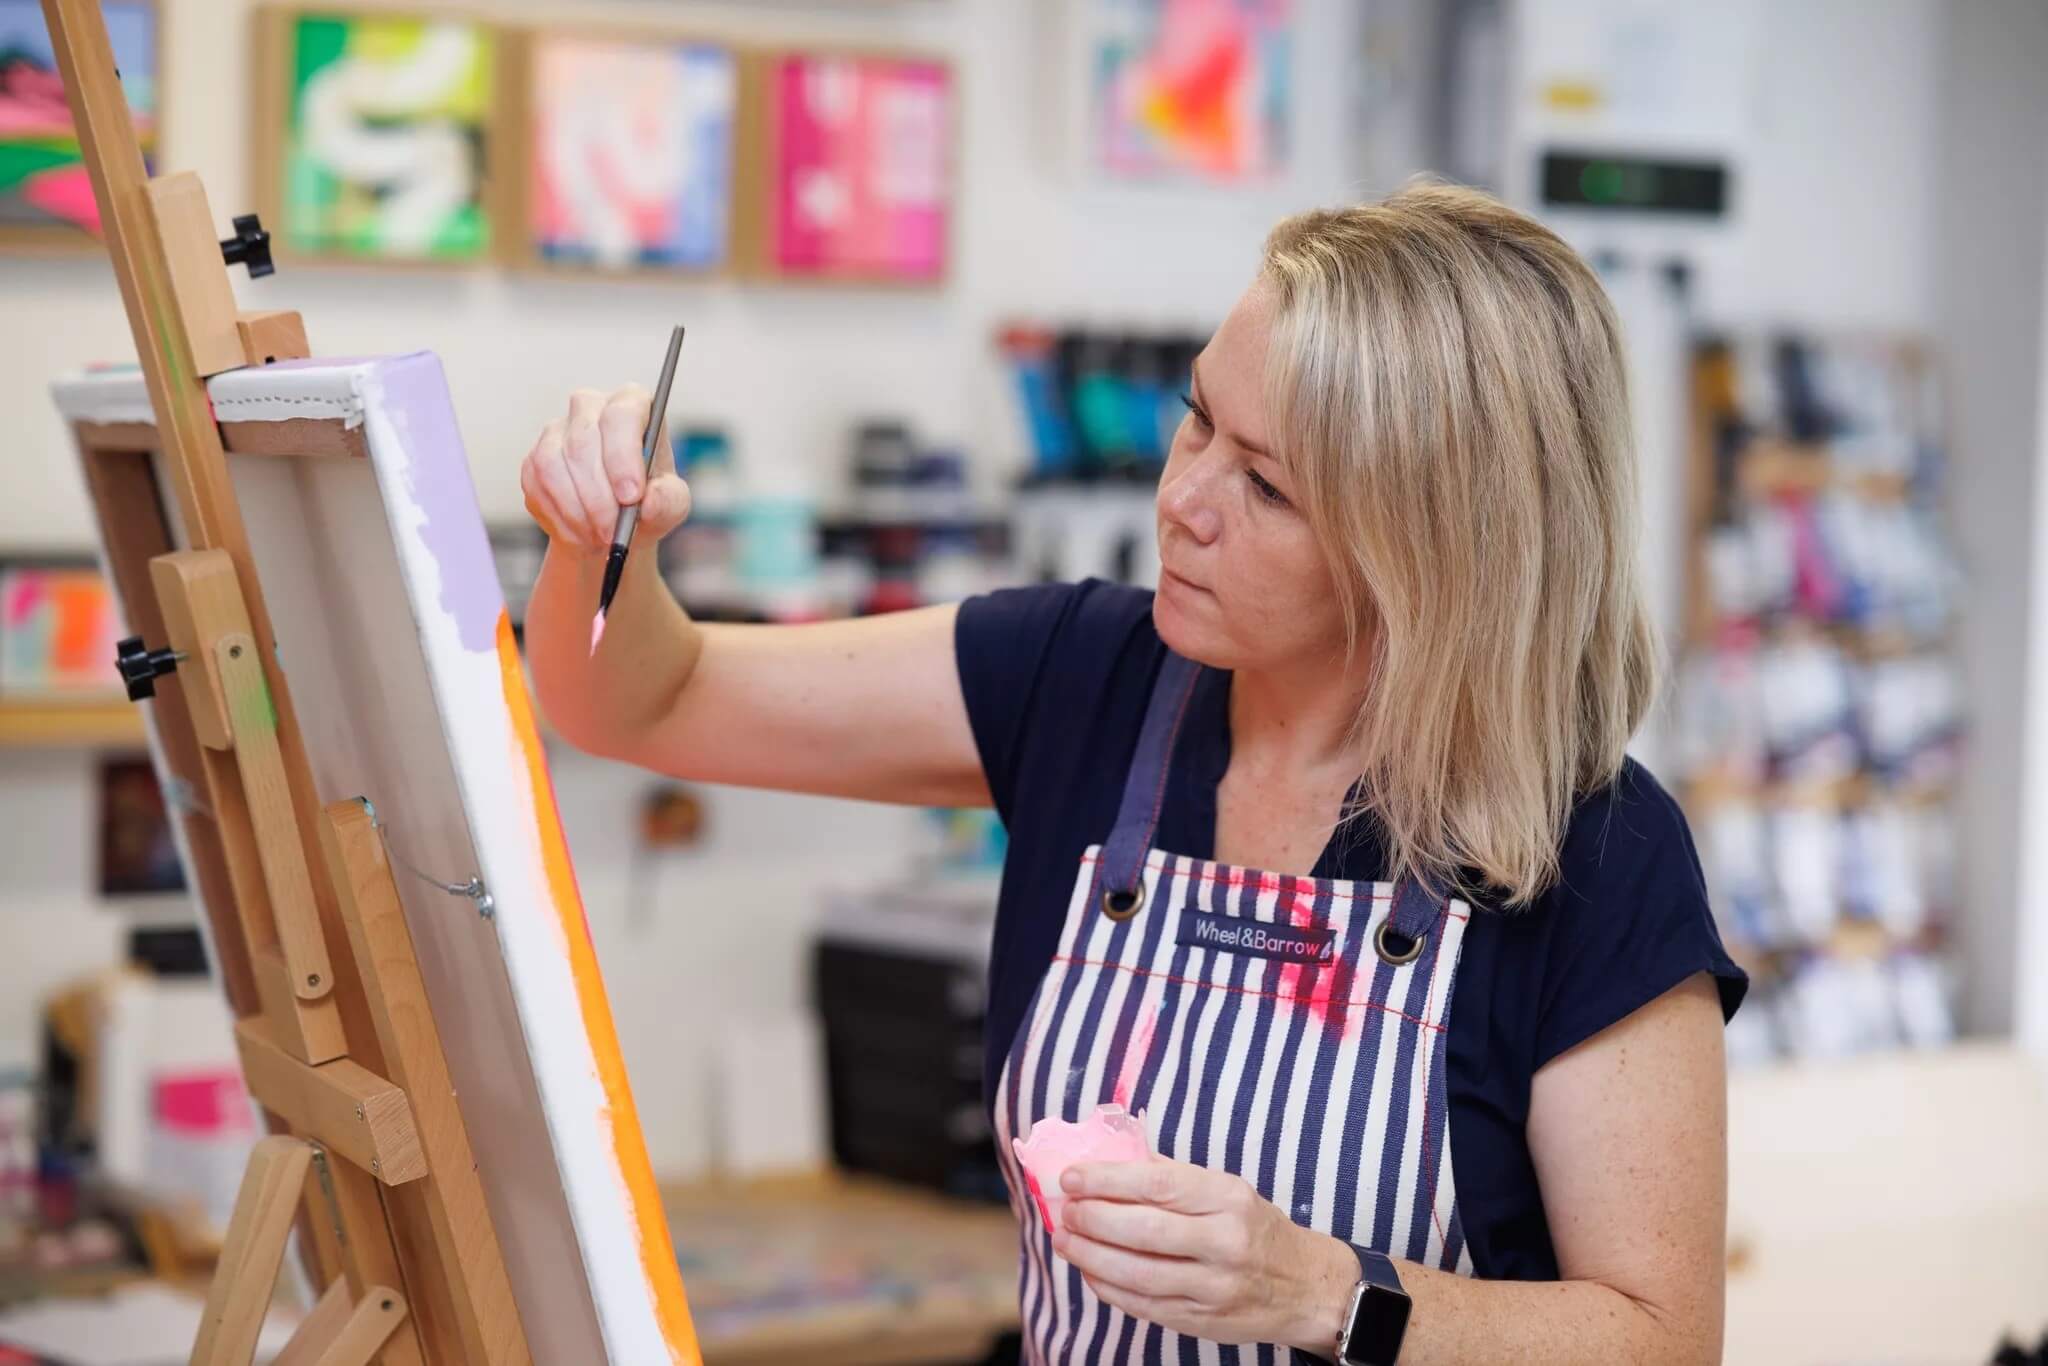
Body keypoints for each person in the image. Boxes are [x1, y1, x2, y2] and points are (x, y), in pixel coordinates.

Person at [518, 181, 1747, 1365]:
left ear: (1431, 554)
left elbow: (1657, 1339)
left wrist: (1324, 1292)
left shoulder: (1593, 850)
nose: (1182, 500)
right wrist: (595, 540)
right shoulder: (1080, 676)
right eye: (1196, 417)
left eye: (1266, 486)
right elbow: (642, 699)